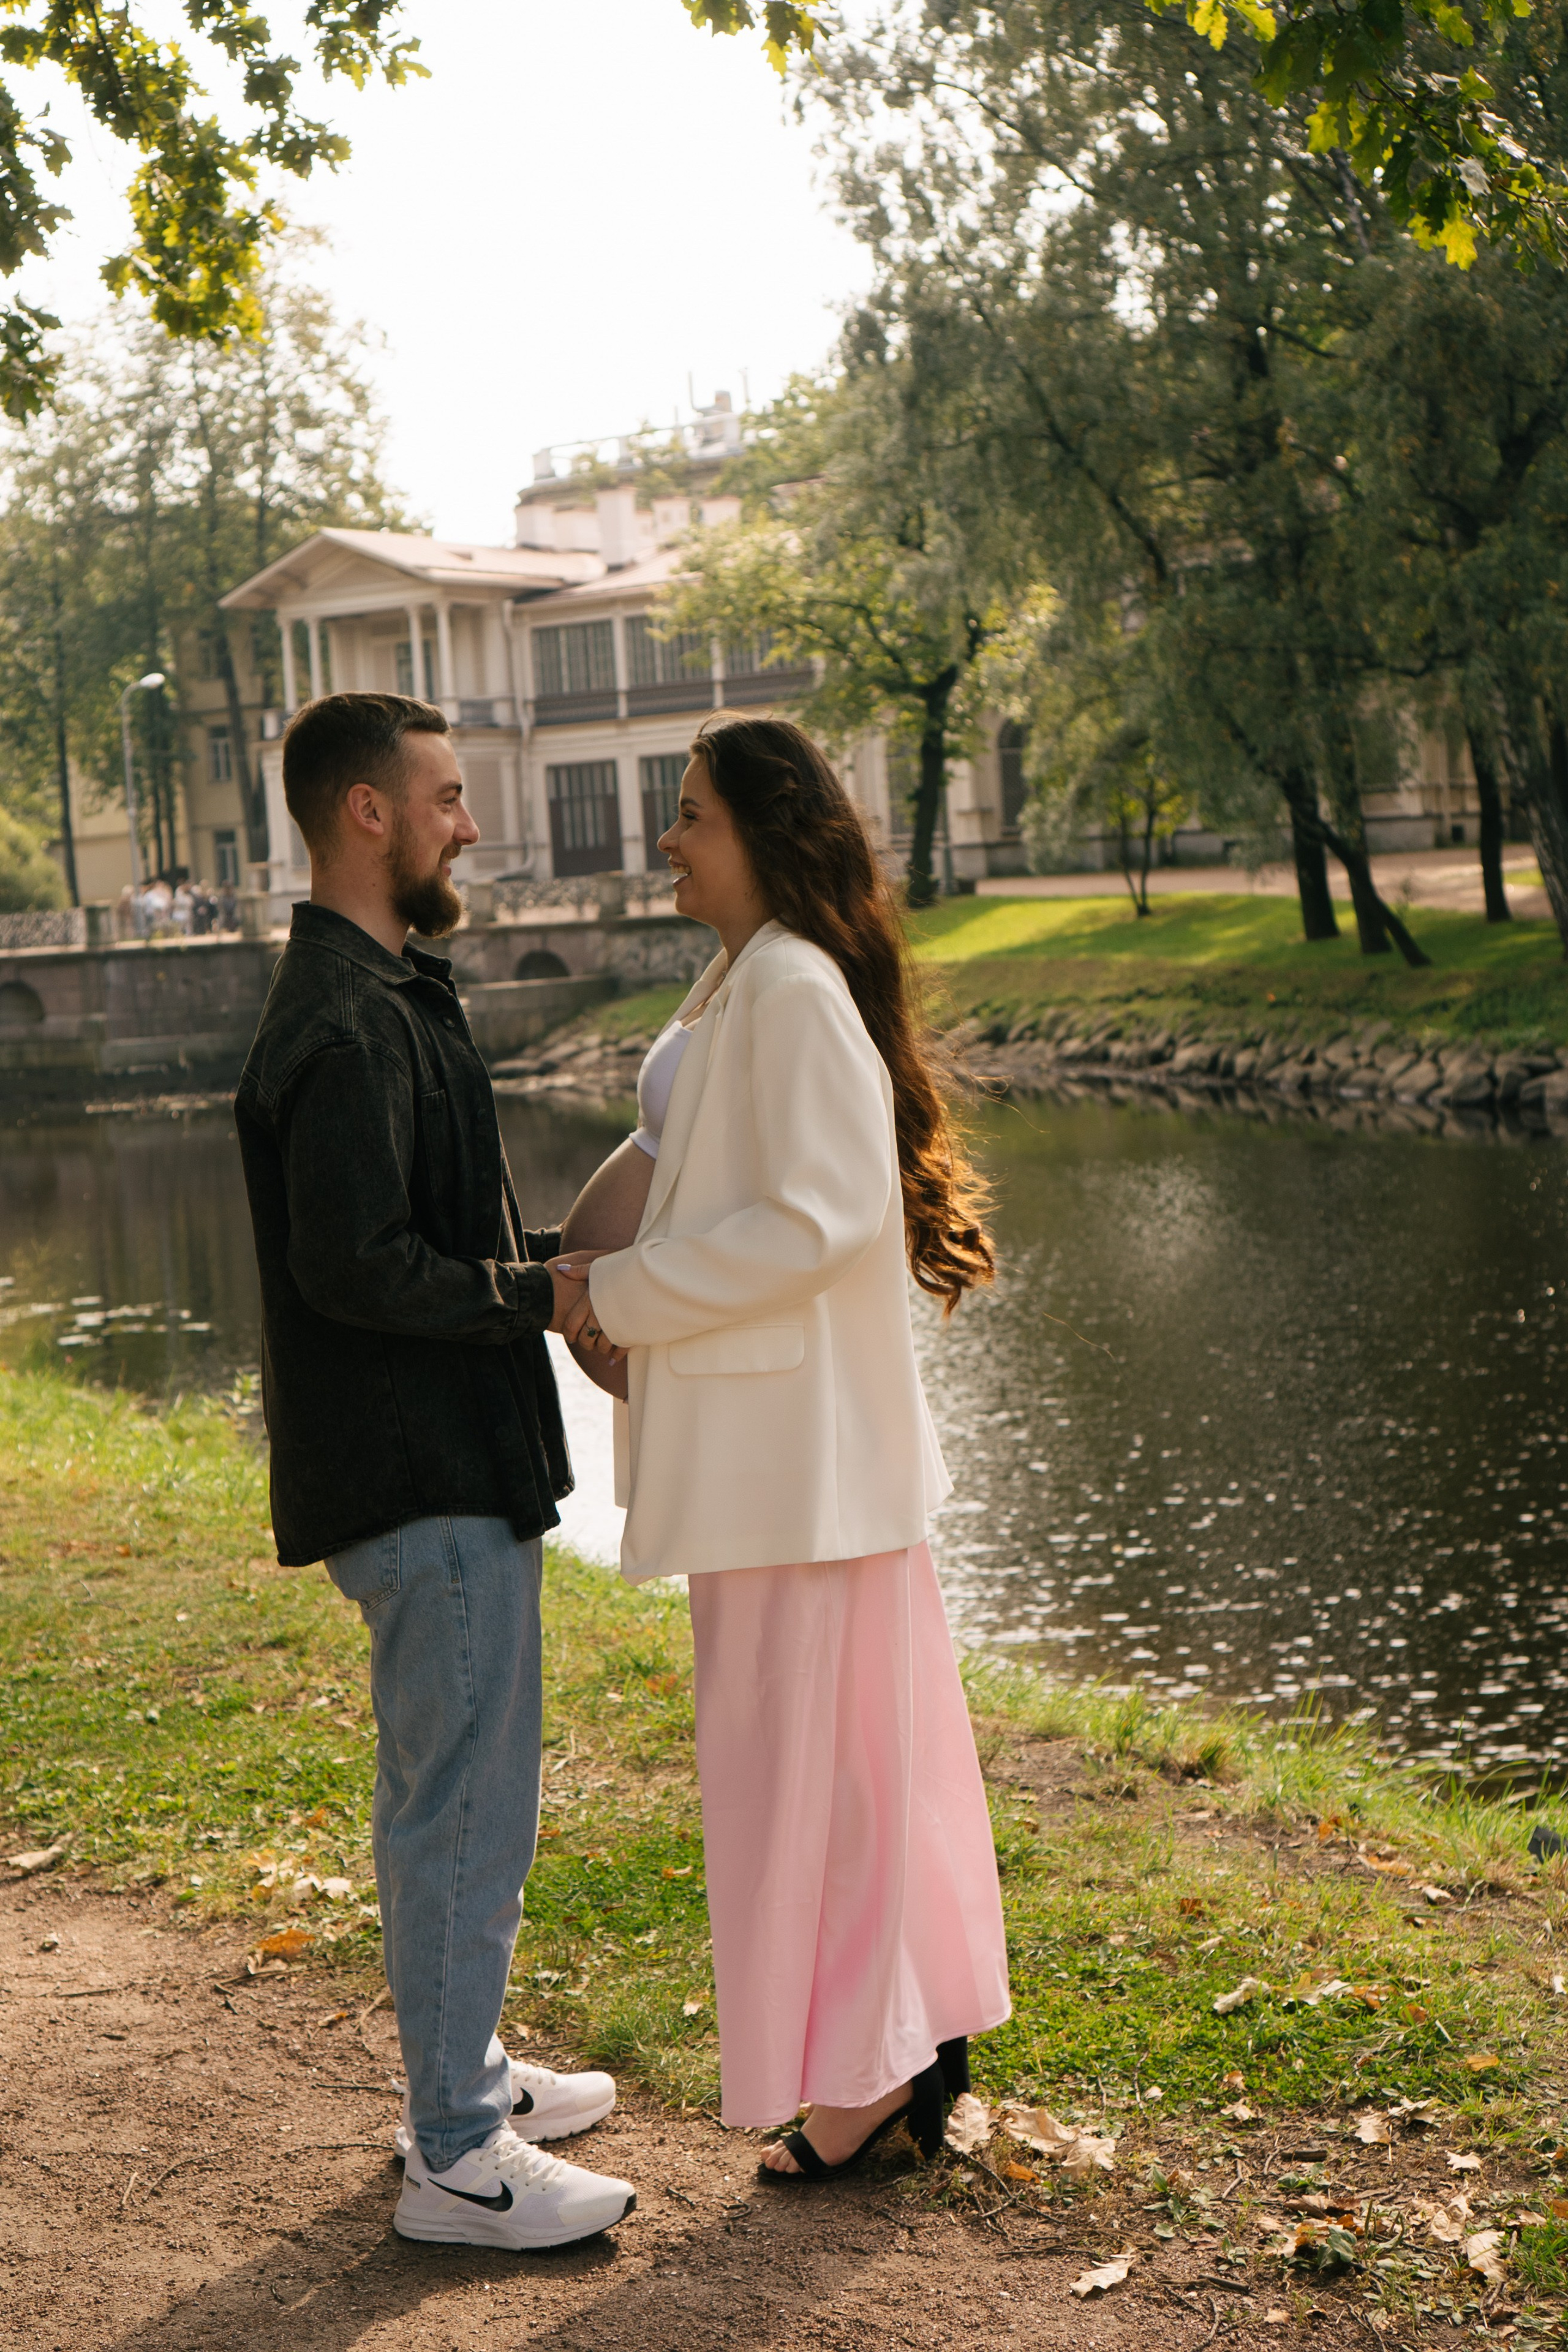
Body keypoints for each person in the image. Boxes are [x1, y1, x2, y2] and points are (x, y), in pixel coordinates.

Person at [554, 714, 1011, 2182]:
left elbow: (819, 1218)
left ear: (761, 830)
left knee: (825, 1783)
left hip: (801, 1471)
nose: (666, 839)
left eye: (690, 814)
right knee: (824, 1775)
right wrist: (579, 1277)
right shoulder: (742, 972)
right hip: (769, 1464)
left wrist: (625, 1293)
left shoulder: (795, 987)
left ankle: (873, 2074)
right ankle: (891, 2053)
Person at [233, 691, 636, 2253]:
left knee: (456, 1798)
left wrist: (555, 1264)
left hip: (450, 1461)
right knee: (460, 1810)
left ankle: (459, 2079)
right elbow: (354, 1265)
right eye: (448, 797)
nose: (470, 824)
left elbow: (426, 1234)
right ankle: (460, 2157)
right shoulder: (343, 1020)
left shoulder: (385, 992)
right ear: (368, 813)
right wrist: (539, 1294)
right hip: (421, 1475)